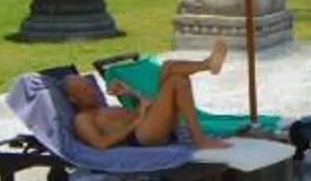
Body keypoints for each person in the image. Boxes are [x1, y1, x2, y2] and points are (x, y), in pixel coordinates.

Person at [62, 37, 227, 149]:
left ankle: (208, 64)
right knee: (175, 81)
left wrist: (130, 91)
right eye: (84, 90)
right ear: (73, 99)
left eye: (89, 86)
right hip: (140, 135)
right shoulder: (82, 119)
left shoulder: (104, 109)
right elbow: (101, 144)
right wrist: (137, 120)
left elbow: (146, 105)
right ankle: (199, 138)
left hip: (150, 123)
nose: (91, 90)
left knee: (169, 67)